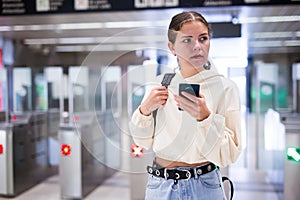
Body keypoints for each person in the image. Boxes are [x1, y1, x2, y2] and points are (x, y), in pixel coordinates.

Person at [129, 11, 242, 200]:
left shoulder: (226, 88)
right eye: (187, 40)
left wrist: (205, 117)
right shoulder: (160, 85)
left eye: (203, 38)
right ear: (171, 47)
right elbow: (142, 142)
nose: (197, 46)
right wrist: (145, 111)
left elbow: (229, 155)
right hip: (161, 185)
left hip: (205, 185)